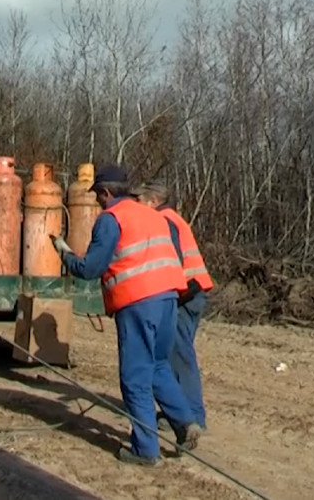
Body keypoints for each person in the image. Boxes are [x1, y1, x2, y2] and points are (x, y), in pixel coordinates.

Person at [51, 164, 203, 466]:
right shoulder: (152, 214)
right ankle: (186, 423)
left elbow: (90, 269)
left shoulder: (111, 219)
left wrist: (64, 252)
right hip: (169, 298)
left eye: (98, 196)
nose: (96, 202)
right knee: (158, 366)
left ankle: (146, 450)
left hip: (138, 302)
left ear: (107, 193)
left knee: (135, 376)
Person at [133, 181, 213, 432]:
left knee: (180, 356)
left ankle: (193, 417)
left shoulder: (165, 221)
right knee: (173, 355)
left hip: (185, 294)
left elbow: (171, 260)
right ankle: (181, 413)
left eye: (140, 200)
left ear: (154, 201)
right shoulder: (173, 218)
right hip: (190, 292)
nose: (137, 205)